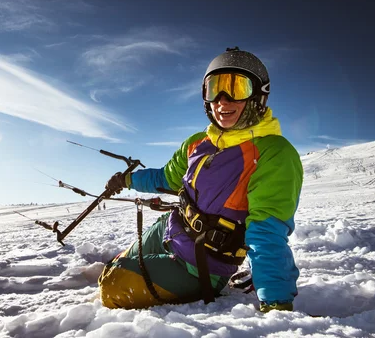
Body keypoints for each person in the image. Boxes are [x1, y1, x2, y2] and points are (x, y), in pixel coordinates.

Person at [98, 47, 303, 313]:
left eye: (237, 88)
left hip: (203, 263)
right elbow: (166, 177)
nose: (222, 100)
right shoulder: (197, 142)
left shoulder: (273, 153)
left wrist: (276, 303)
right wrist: (126, 180)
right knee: (114, 265)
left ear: (258, 96)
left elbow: (266, 231)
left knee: (112, 285)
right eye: (214, 88)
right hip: (170, 229)